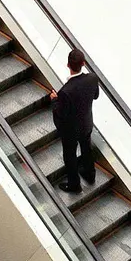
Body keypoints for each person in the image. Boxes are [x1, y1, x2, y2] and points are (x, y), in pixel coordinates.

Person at [50, 49, 99, 193]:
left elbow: (61, 113)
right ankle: (90, 174)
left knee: (70, 155)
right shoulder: (92, 78)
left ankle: (74, 185)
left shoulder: (65, 91)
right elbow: (95, 96)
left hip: (71, 131)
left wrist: (54, 101)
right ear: (83, 63)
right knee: (86, 148)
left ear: (67, 65)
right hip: (86, 123)